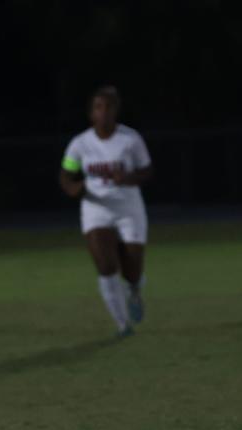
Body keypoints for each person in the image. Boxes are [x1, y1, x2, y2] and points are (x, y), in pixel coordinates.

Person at [59, 85, 153, 336]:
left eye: (109, 106)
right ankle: (122, 324)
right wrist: (73, 188)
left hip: (128, 207)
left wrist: (128, 177)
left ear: (116, 110)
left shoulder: (131, 139)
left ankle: (133, 290)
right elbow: (66, 175)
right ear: (92, 113)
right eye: (99, 107)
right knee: (105, 265)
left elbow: (147, 171)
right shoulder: (80, 144)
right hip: (95, 208)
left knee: (132, 268)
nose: (104, 112)